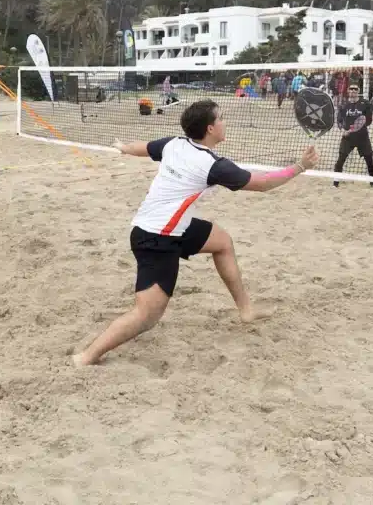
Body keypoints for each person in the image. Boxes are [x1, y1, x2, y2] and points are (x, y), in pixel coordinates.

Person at [72, 99, 320, 366]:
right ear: (210, 129)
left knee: (222, 242)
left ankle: (246, 310)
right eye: (221, 118)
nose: (225, 122)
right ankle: (87, 356)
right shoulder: (212, 165)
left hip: (162, 226)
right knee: (147, 315)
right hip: (157, 238)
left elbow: (143, 148)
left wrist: (124, 147)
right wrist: (300, 167)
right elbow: (261, 184)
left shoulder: (174, 143)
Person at [332, 84, 373, 187]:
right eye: (351, 88)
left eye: (355, 89)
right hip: (348, 138)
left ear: (358, 91)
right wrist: (343, 130)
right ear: (348, 90)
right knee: (341, 159)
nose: (353, 90)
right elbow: (339, 120)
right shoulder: (343, 105)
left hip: (362, 137)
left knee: (369, 159)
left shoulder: (365, 104)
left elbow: (368, 121)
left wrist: (369, 112)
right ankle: (335, 182)